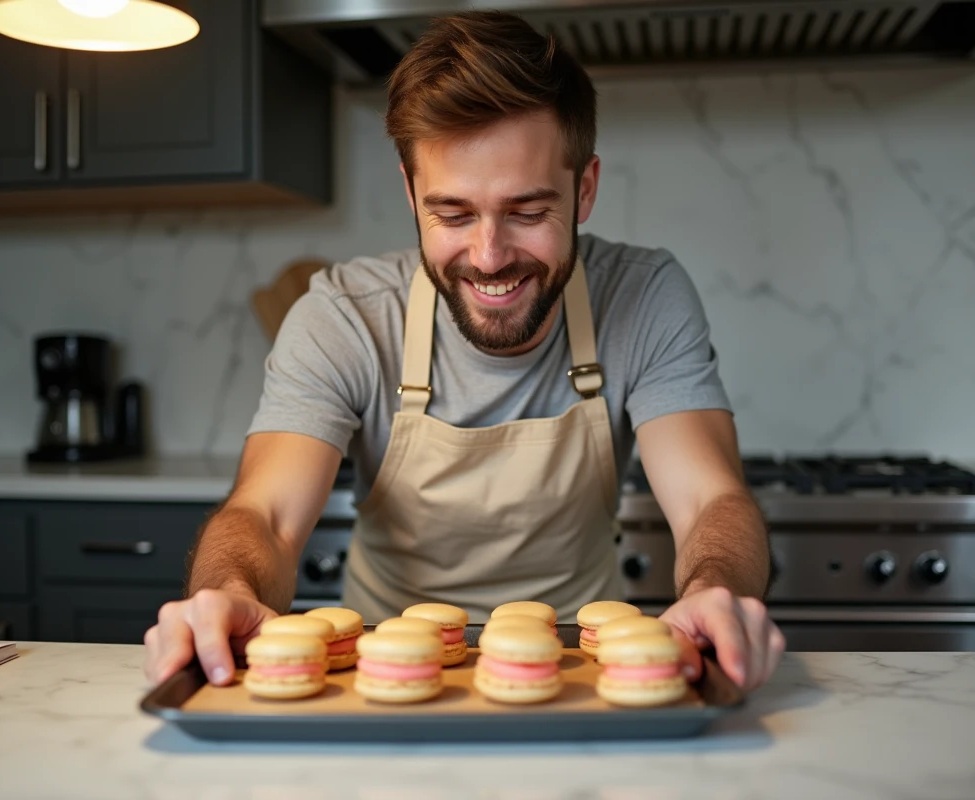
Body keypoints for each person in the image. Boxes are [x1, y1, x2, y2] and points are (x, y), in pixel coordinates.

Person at [144, 11, 783, 693]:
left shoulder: (644, 296)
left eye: (528, 212)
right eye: (452, 214)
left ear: (585, 188)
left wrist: (717, 586)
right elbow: (263, 517)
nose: (488, 257)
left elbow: (711, 500)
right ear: (411, 193)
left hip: (580, 678)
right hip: (387, 679)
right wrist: (230, 586)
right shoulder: (346, 315)